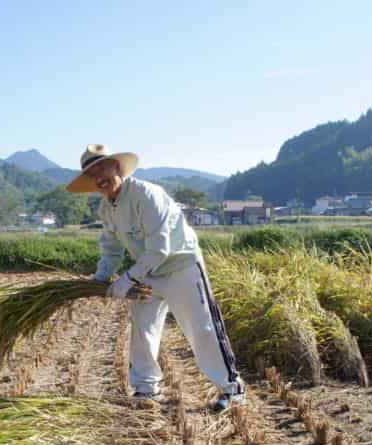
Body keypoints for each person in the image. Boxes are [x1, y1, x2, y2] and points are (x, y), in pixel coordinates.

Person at [66, 144, 244, 411]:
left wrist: (127, 280)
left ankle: (232, 390)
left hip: (180, 266)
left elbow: (160, 249)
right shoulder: (107, 208)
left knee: (201, 328)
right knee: (142, 329)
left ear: (117, 167)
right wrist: (101, 279)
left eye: (103, 168)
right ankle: (147, 389)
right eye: (93, 174)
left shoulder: (146, 195)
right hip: (147, 271)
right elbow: (111, 248)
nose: (99, 177)